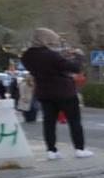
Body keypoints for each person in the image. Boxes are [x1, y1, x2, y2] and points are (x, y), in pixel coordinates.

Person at [21, 28, 91, 159]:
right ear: (46, 39)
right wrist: (78, 56)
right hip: (64, 91)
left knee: (49, 122)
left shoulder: (27, 56)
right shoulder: (51, 55)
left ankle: (51, 150)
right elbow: (74, 68)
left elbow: (51, 66)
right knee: (74, 121)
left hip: (44, 92)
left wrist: (61, 58)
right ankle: (79, 149)